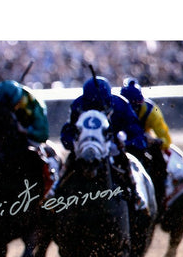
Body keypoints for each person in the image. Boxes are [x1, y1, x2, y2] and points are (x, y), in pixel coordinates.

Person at [56, 75, 148, 206]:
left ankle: (136, 195)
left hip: (114, 153)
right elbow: (66, 135)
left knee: (126, 162)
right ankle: (55, 194)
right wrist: (76, 143)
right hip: (83, 152)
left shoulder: (122, 106)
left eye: (98, 107)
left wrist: (123, 144)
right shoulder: (77, 106)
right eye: (90, 107)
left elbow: (139, 139)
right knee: (69, 162)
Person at [0, 79, 60, 192]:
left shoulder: (32, 102)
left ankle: (49, 191)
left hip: (27, 142)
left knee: (43, 162)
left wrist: (25, 130)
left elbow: (42, 134)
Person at [120, 78, 170, 208]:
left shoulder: (152, 111)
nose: (132, 112)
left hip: (143, 145)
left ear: (141, 103)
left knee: (158, 162)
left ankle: (161, 195)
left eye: (135, 107)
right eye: (129, 107)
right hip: (123, 144)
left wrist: (155, 141)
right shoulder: (116, 110)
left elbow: (166, 140)